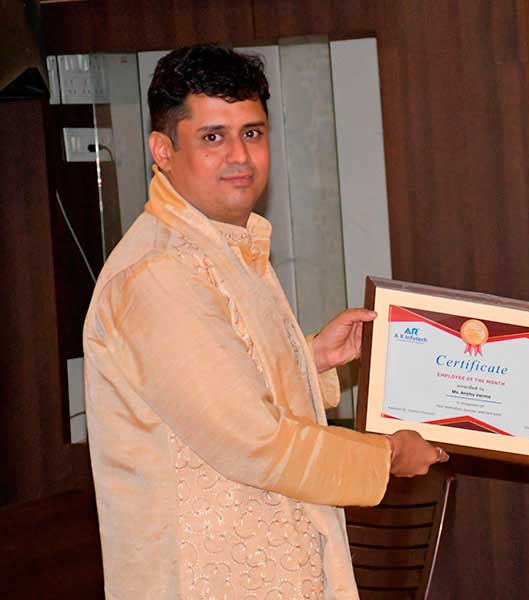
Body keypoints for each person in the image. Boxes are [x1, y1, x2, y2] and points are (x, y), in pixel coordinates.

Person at [83, 44, 446, 600]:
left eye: (251, 133)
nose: (240, 156)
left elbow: (225, 384)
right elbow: (255, 442)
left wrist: (312, 358)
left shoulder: (225, 245)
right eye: (212, 137)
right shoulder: (160, 273)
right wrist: (389, 457)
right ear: (163, 150)